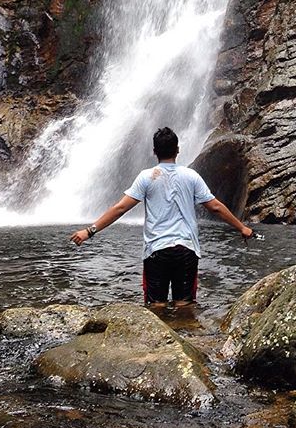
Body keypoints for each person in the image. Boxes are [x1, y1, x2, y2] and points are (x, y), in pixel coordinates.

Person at [69, 127, 254, 307]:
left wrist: (89, 231)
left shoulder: (146, 177)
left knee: (155, 306)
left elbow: (120, 209)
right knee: (185, 305)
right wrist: (242, 228)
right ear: (178, 150)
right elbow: (215, 207)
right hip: (185, 249)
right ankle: (187, 335)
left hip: (156, 250)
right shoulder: (191, 176)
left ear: (154, 151)